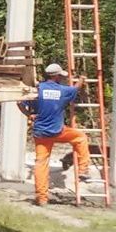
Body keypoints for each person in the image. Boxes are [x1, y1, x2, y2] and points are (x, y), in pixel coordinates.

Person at [18, 63, 90, 206]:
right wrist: (82, 79)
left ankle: (42, 198)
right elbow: (76, 88)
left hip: (41, 133)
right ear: (57, 76)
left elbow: (20, 102)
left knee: (41, 164)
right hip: (58, 131)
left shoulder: (38, 89)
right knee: (81, 137)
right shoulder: (63, 90)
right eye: (61, 76)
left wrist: (29, 115)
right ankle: (83, 169)